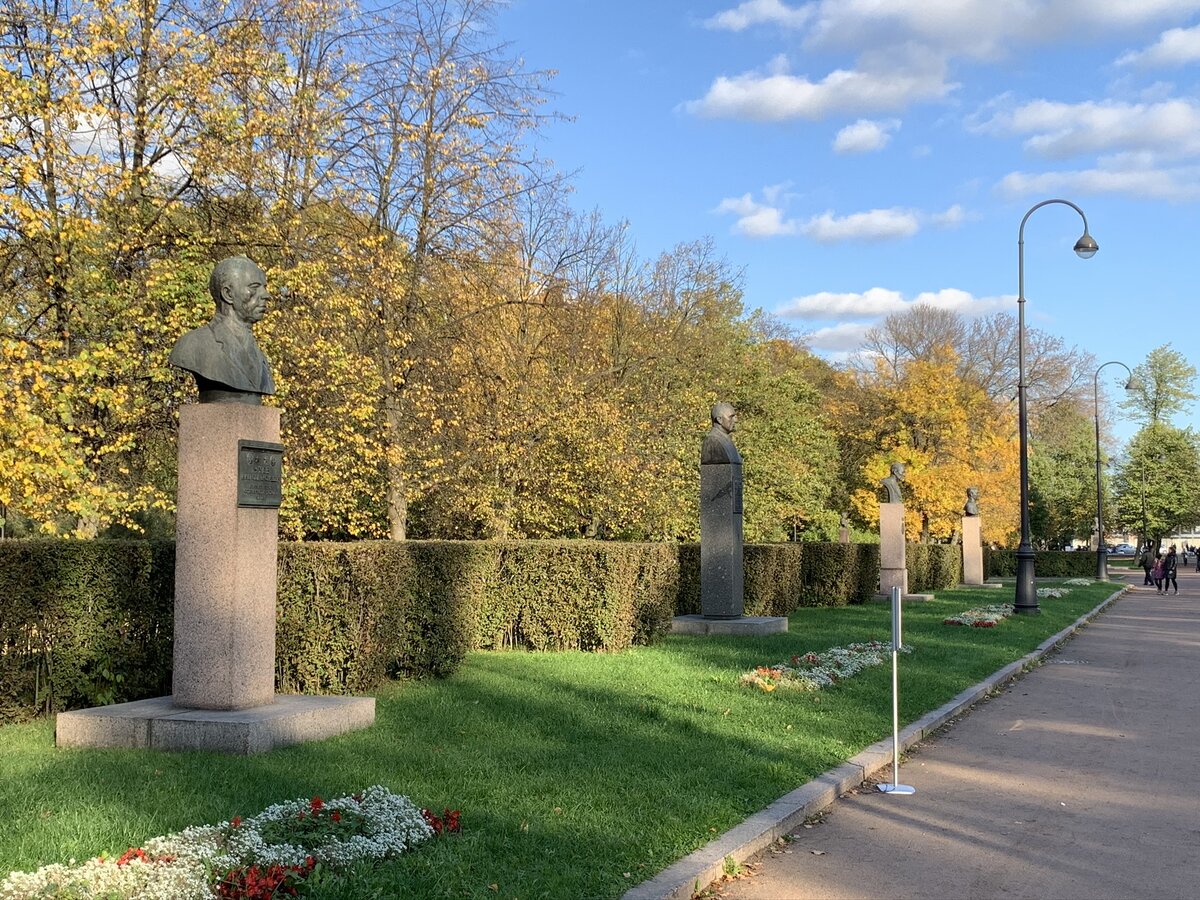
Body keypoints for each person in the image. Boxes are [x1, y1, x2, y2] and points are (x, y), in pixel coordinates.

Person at [169, 256, 275, 403]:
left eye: (264, 287)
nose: (266, 295)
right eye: (254, 287)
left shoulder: (259, 355)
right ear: (228, 294)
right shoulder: (193, 345)